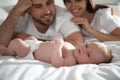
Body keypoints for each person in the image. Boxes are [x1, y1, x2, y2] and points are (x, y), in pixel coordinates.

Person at [0, 0, 84, 47]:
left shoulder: (64, 16)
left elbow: (77, 44)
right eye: (38, 6)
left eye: (49, 3)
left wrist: (33, 40)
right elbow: (1, 43)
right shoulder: (19, 16)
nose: (47, 11)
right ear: (28, 9)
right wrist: (15, 12)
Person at [0, 36, 112, 67]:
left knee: (17, 42)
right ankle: (16, 48)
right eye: (87, 45)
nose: (84, 49)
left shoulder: (71, 60)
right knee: (31, 38)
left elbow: (57, 63)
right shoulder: (72, 46)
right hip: (37, 44)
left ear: (89, 64)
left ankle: (8, 52)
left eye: (88, 54)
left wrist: (58, 47)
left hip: (30, 53)